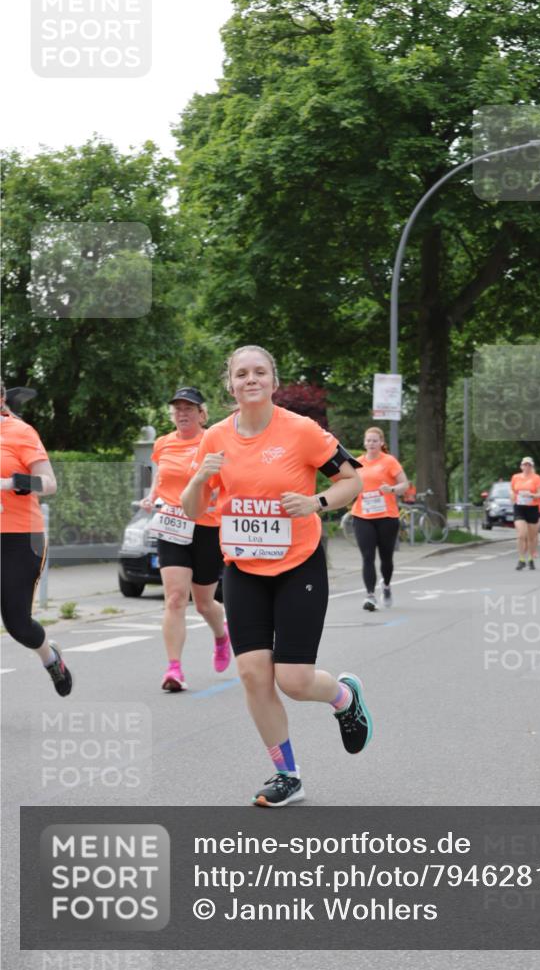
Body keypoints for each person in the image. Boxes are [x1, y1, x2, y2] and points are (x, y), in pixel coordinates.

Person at [181, 345, 372, 807]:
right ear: (230, 384)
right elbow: (192, 510)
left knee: (294, 680)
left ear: (273, 380)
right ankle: (287, 773)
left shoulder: (302, 431)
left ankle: (344, 697)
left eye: (259, 372)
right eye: (242, 373)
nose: (251, 380)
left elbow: (352, 480)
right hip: (243, 567)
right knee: (252, 674)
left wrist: (317, 503)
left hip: (298, 564)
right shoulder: (215, 440)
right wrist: (198, 480)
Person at [142, 387, 230, 692]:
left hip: (206, 526)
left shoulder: (214, 440)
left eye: (189, 408)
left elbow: (227, 479)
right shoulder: (163, 443)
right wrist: (151, 496)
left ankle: (221, 635)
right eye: (178, 408)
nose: (183, 413)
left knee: (205, 603)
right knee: (176, 598)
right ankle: (174, 669)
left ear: (201, 413)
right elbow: (161, 476)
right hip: (171, 525)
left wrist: (216, 493)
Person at [0, 382, 72, 695]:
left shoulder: (21, 432)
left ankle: (50, 658)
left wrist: (11, 482)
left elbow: (49, 483)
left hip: (18, 538)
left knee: (18, 625)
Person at [350, 426, 409, 610]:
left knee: (386, 558)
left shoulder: (389, 461)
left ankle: (386, 585)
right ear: (364, 443)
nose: (371, 443)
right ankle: (370, 596)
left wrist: (391, 489)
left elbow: (405, 484)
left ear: (381, 443)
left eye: (375, 440)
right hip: (362, 515)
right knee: (367, 557)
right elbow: (348, 485)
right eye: (368, 440)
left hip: (386, 516)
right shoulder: (357, 463)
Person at [510, 457, 540, 570]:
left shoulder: (536, 478)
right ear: (521, 466)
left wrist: (532, 495)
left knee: (532, 537)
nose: (527, 467)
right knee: (521, 534)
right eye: (525, 465)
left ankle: (530, 558)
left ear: (532, 466)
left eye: (529, 465)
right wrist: (512, 495)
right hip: (519, 507)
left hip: (532, 508)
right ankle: (521, 559)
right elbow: (512, 489)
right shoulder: (515, 477)